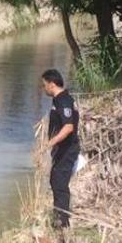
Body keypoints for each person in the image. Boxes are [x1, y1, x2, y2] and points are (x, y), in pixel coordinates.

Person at [41, 69, 81, 228]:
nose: (43, 89)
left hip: (67, 149)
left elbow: (69, 127)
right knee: (55, 180)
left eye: (44, 85)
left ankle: (62, 222)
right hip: (61, 149)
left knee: (59, 182)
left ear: (51, 84)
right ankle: (58, 216)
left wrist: (51, 142)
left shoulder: (63, 100)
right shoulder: (59, 100)